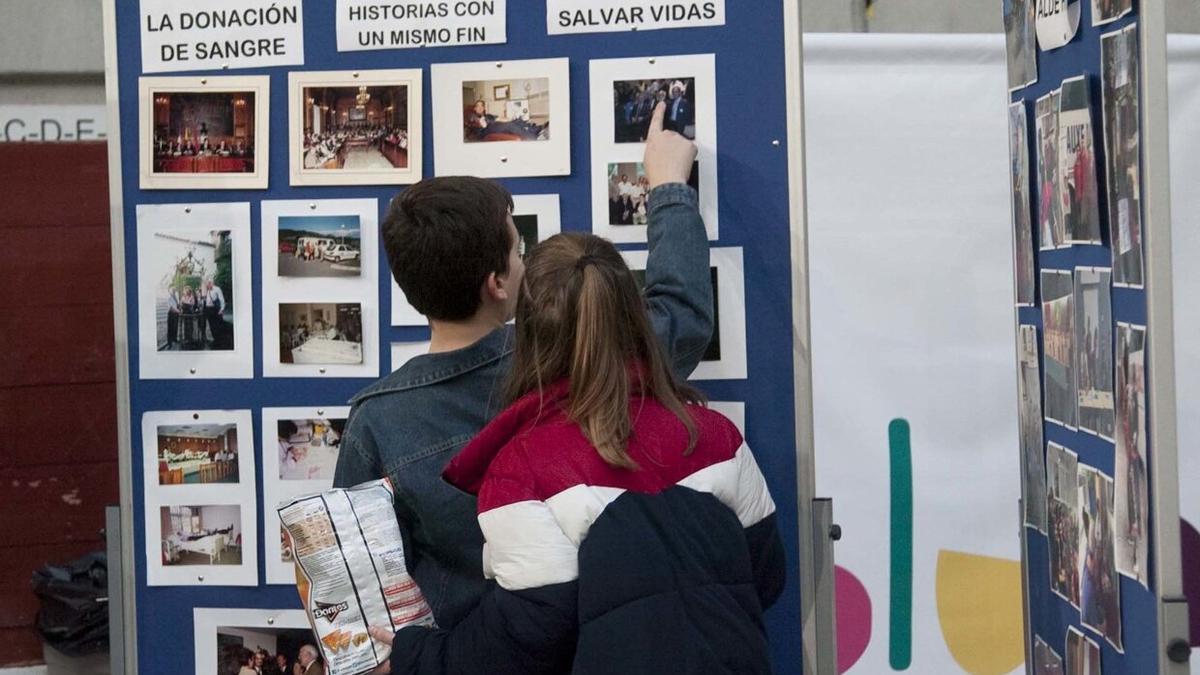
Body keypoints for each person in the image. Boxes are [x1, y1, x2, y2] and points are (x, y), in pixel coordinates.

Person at [333, 102, 713, 649]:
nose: (521, 259)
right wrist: (668, 184)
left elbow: (357, 593)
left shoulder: (377, 422)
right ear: (497, 283)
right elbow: (682, 318)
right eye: (516, 249)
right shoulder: (576, 353)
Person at [372, 230, 784, 674]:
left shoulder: (521, 470)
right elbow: (765, 578)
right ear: (635, 313)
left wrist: (414, 657)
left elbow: (526, 641)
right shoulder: (718, 437)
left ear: (528, 334)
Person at [203, 279, 227, 348]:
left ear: (211, 283)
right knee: (211, 325)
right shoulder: (207, 290)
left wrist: (222, 309)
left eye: (208, 284)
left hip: (215, 309)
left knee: (217, 325)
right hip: (208, 309)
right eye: (207, 284)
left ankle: (220, 341)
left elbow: (222, 300)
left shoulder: (217, 289)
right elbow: (206, 300)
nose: (207, 285)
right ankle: (215, 340)